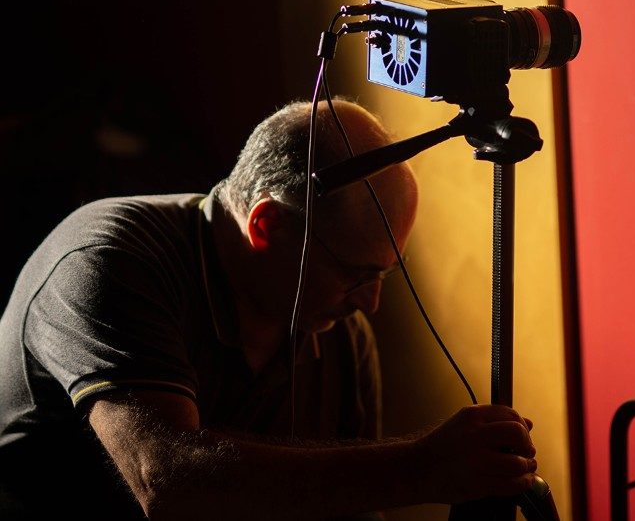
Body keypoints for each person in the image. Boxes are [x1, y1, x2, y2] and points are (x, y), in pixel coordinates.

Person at [0, 99, 538, 519]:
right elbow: (166, 481)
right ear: (267, 225)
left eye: (383, 276)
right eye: (355, 274)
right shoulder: (111, 259)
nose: (369, 304)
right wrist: (421, 468)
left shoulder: (339, 334)